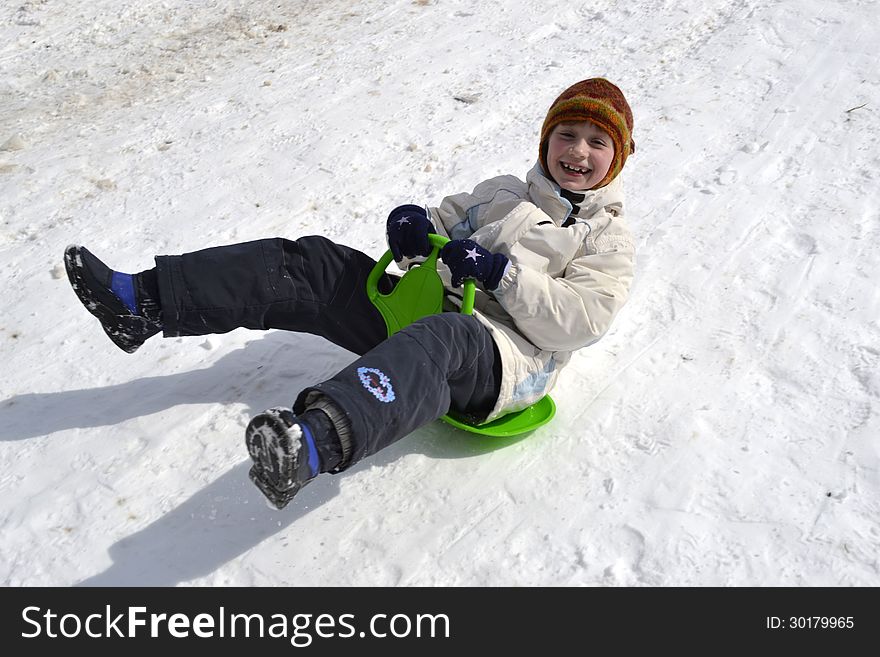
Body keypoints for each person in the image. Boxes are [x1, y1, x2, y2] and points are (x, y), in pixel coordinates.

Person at [64, 78, 636, 509]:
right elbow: (443, 222)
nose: (578, 152)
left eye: (596, 142)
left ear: (617, 158)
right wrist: (411, 225)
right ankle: (141, 302)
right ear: (545, 140)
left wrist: (500, 275)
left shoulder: (606, 238)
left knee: (444, 337)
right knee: (316, 264)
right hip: (422, 313)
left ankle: (309, 446)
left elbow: (582, 320)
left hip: (498, 362)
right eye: (567, 134)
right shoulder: (504, 192)